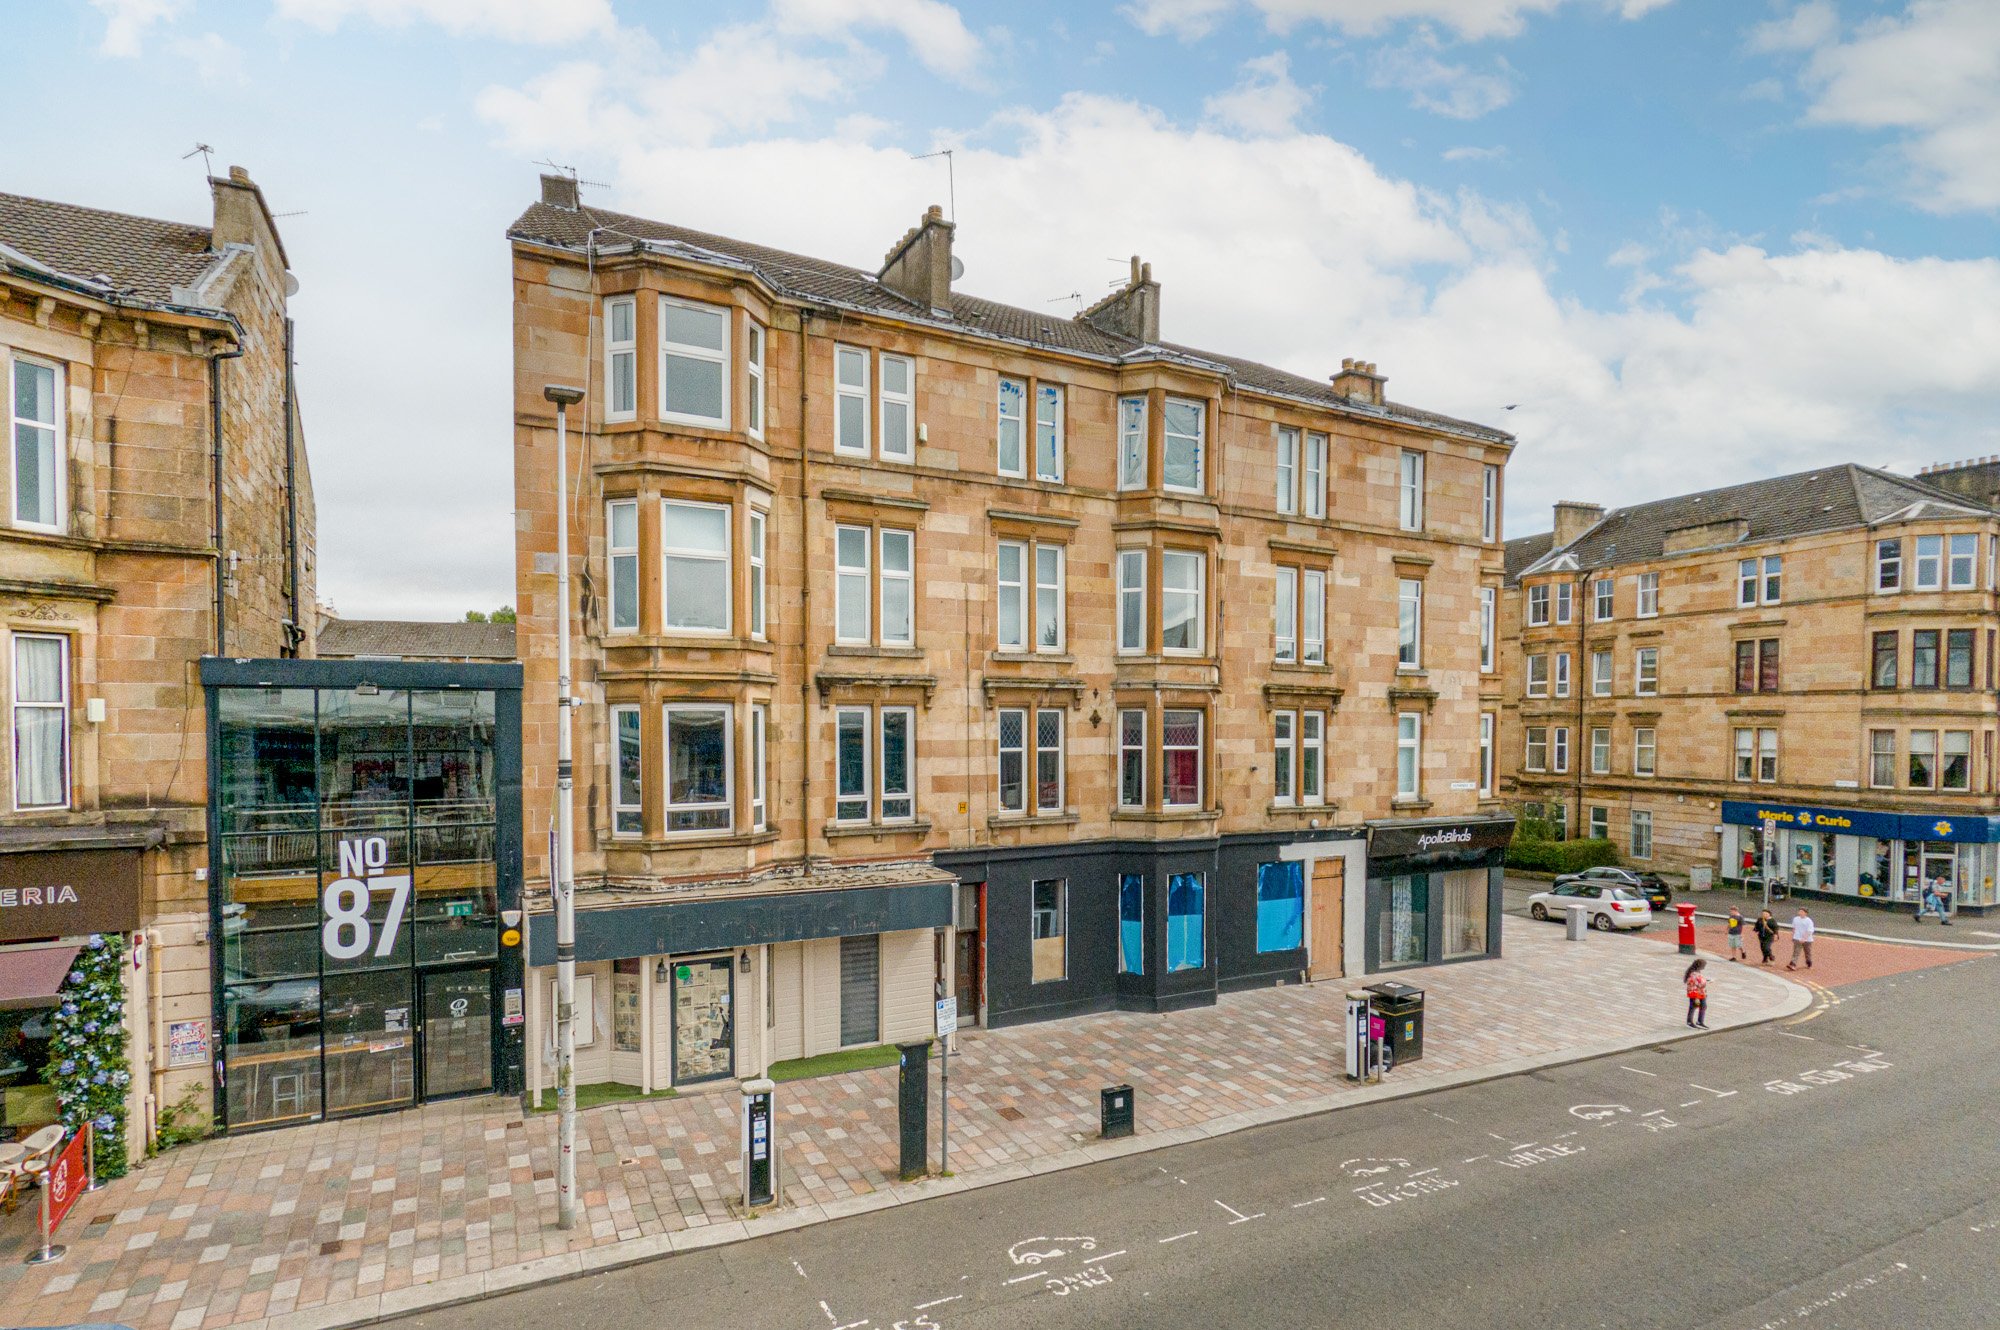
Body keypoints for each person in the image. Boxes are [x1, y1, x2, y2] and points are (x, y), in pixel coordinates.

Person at [1787, 906, 1815, 970]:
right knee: (1796, 951)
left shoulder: (1809, 921)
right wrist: (1794, 936)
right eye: (1799, 911)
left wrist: (1804, 938)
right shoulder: (1795, 919)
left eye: (1802, 911)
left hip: (1807, 940)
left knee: (1807, 952)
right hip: (1797, 938)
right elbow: (1794, 928)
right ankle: (1793, 964)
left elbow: (1810, 931)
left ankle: (1809, 963)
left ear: (1806, 913)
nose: (1800, 912)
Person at [1685, 958, 1709, 1028]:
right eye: (1704, 965)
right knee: (1694, 1006)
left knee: (1703, 1006)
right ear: (1700, 966)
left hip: (1701, 993)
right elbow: (1694, 985)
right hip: (1696, 994)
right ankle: (1689, 1022)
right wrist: (1696, 997)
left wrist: (1705, 981)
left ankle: (1700, 1021)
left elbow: (1699, 981)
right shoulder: (1693, 974)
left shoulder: (1697, 972)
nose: (1704, 967)